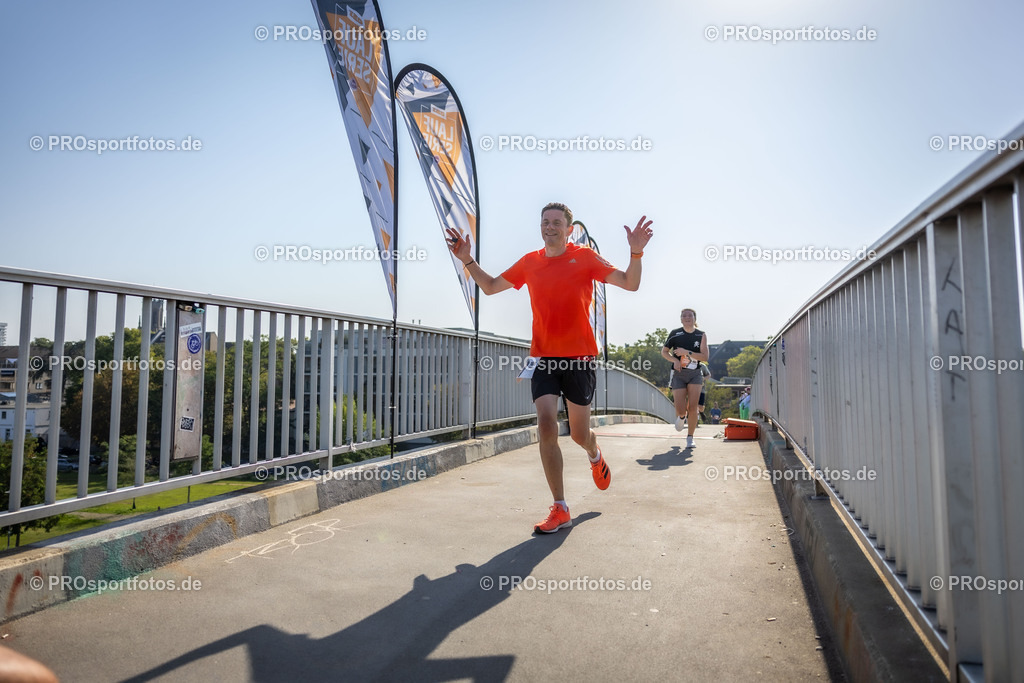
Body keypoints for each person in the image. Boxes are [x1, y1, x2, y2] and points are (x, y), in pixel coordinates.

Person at [447, 203, 653, 534]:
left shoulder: (584, 258)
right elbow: (490, 287)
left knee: (578, 434)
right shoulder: (530, 262)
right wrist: (467, 260)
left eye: (557, 222)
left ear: (569, 229)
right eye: (545, 222)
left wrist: (636, 253)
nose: (550, 227)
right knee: (545, 426)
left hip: (579, 359)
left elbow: (630, 283)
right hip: (543, 359)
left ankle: (595, 453)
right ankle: (561, 507)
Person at [661, 309, 709, 449]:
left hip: (695, 373)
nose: (687, 317)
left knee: (693, 407)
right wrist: (674, 360)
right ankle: (682, 417)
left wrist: (686, 352)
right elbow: (664, 351)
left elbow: (704, 357)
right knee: (681, 409)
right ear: (681, 319)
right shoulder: (675, 333)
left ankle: (690, 438)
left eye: (690, 315)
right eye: (684, 316)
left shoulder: (701, 335)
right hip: (679, 374)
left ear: (695, 319)